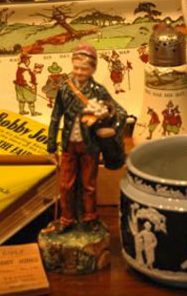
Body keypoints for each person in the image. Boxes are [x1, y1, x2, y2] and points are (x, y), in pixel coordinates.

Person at [44, 43, 127, 233]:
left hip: (89, 145)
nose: (79, 72)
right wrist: (51, 147)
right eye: (76, 68)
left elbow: (121, 113)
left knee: (89, 185)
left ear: (93, 69)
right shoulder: (64, 89)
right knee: (66, 185)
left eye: (84, 69)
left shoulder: (98, 91)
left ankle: (90, 218)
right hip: (68, 145)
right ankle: (67, 218)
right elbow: (55, 118)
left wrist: (112, 129)